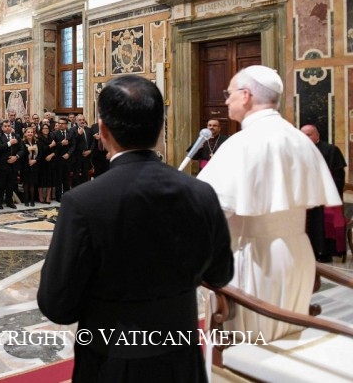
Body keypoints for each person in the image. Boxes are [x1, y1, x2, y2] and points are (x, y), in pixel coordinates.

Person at [38, 75, 233, 383]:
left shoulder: (83, 202)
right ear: (159, 130)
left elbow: (57, 304)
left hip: (111, 362)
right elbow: (220, 274)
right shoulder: (201, 193)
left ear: (102, 131)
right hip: (181, 359)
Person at [197, 65, 341, 341]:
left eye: (229, 93)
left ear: (246, 95)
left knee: (251, 343)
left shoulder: (242, 143)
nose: (225, 99)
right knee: (288, 332)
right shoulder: (299, 139)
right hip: (298, 256)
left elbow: (210, 211)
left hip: (256, 259)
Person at [300, 123, 348, 261]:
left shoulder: (330, 150)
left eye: (308, 135)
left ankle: (324, 253)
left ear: (317, 136)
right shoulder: (298, 151)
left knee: (321, 223)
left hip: (324, 196)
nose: (305, 137)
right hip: (305, 196)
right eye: (302, 135)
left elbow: (338, 176)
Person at [0, 120, 23, 209]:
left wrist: (16, 157)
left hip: (14, 165)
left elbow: (22, 149)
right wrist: (9, 143)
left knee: (11, 185)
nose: (7, 127)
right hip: (2, 165)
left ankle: (9, 201)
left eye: (9, 126)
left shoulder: (17, 136)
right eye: (5, 126)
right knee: (1, 185)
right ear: (2, 128)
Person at [36, 122, 56, 204]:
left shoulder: (52, 137)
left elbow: (57, 149)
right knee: (41, 180)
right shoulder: (39, 138)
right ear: (41, 130)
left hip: (51, 160)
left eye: (47, 128)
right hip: (41, 161)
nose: (46, 130)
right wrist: (51, 146)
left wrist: (51, 155)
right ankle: (41, 197)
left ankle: (48, 197)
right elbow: (42, 149)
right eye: (44, 128)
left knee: (49, 180)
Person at [19, 126, 39, 207]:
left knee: (32, 183)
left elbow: (40, 154)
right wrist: (28, 150)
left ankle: (32, 200)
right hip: (25, 165)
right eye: (28, 132)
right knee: (26, 183)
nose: (30, 133)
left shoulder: (36, 142)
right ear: (25, 134)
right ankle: (26, 200)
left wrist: (35, 160)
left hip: (34, 165)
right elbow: (21, 154)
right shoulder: (22, 142)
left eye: (31, 132)